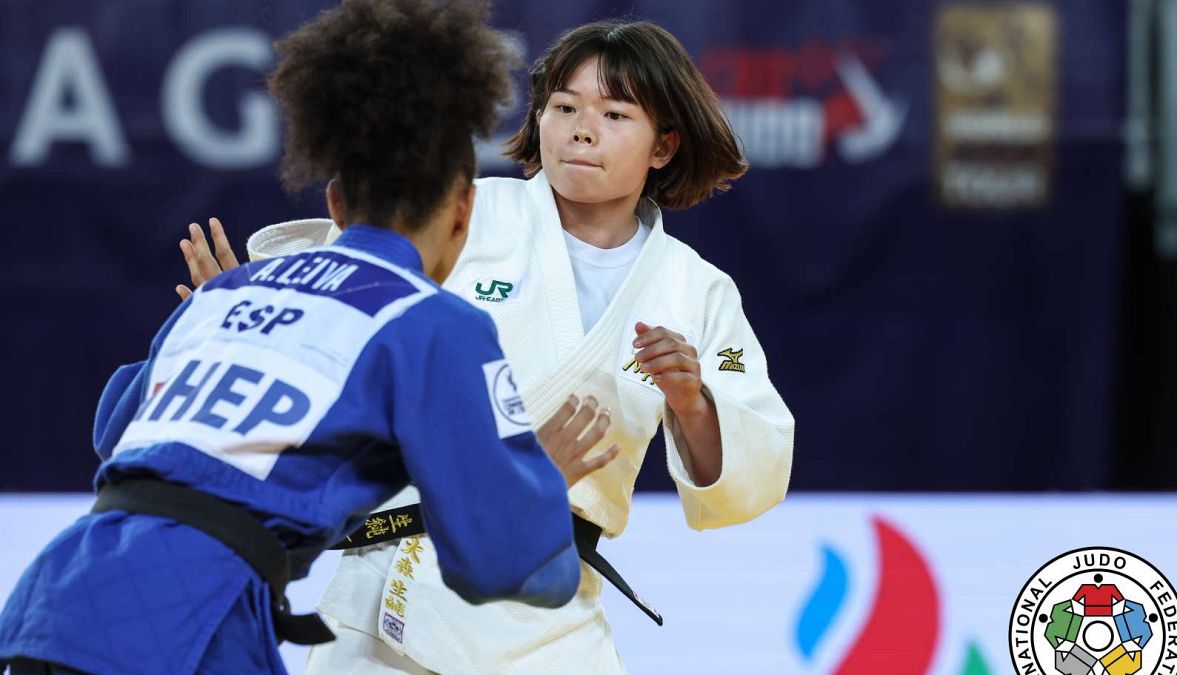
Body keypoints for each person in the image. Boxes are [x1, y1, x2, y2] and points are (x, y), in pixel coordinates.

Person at [0, 2, 617, 674]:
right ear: (464, 208)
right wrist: (536, 493)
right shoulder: (435, 322)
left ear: (333, 203)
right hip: (188, 623)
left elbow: (115, 425)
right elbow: (504, 564)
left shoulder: (231, 290)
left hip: (53, 599)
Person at [179, 18, 795, 675]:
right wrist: (253, 323)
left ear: (664, 146)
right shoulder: (465, 211)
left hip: (549, 614)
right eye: (563, 107)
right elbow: (345, 313)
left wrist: (692, 401)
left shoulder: (694, 292)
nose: (581, 129)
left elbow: (749, 482)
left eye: (615, 113)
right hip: (391, 589)